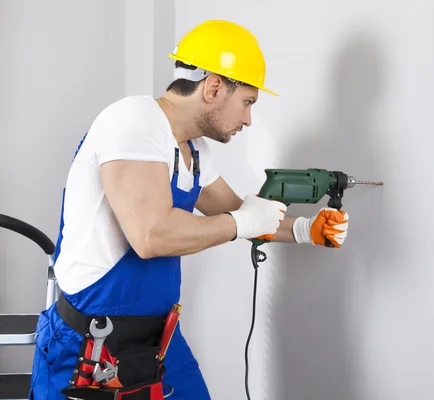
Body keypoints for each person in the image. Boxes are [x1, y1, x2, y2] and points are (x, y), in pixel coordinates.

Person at [28, 19, 350, 400]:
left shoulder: (194, 151)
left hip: (159, 342)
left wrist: (304, 230)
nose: (248, 119)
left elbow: (240, 212)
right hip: (89, 345)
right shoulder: (134, 121)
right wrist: (242, 223)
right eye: (247, 102)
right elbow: (151, 235)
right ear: (214, 87)